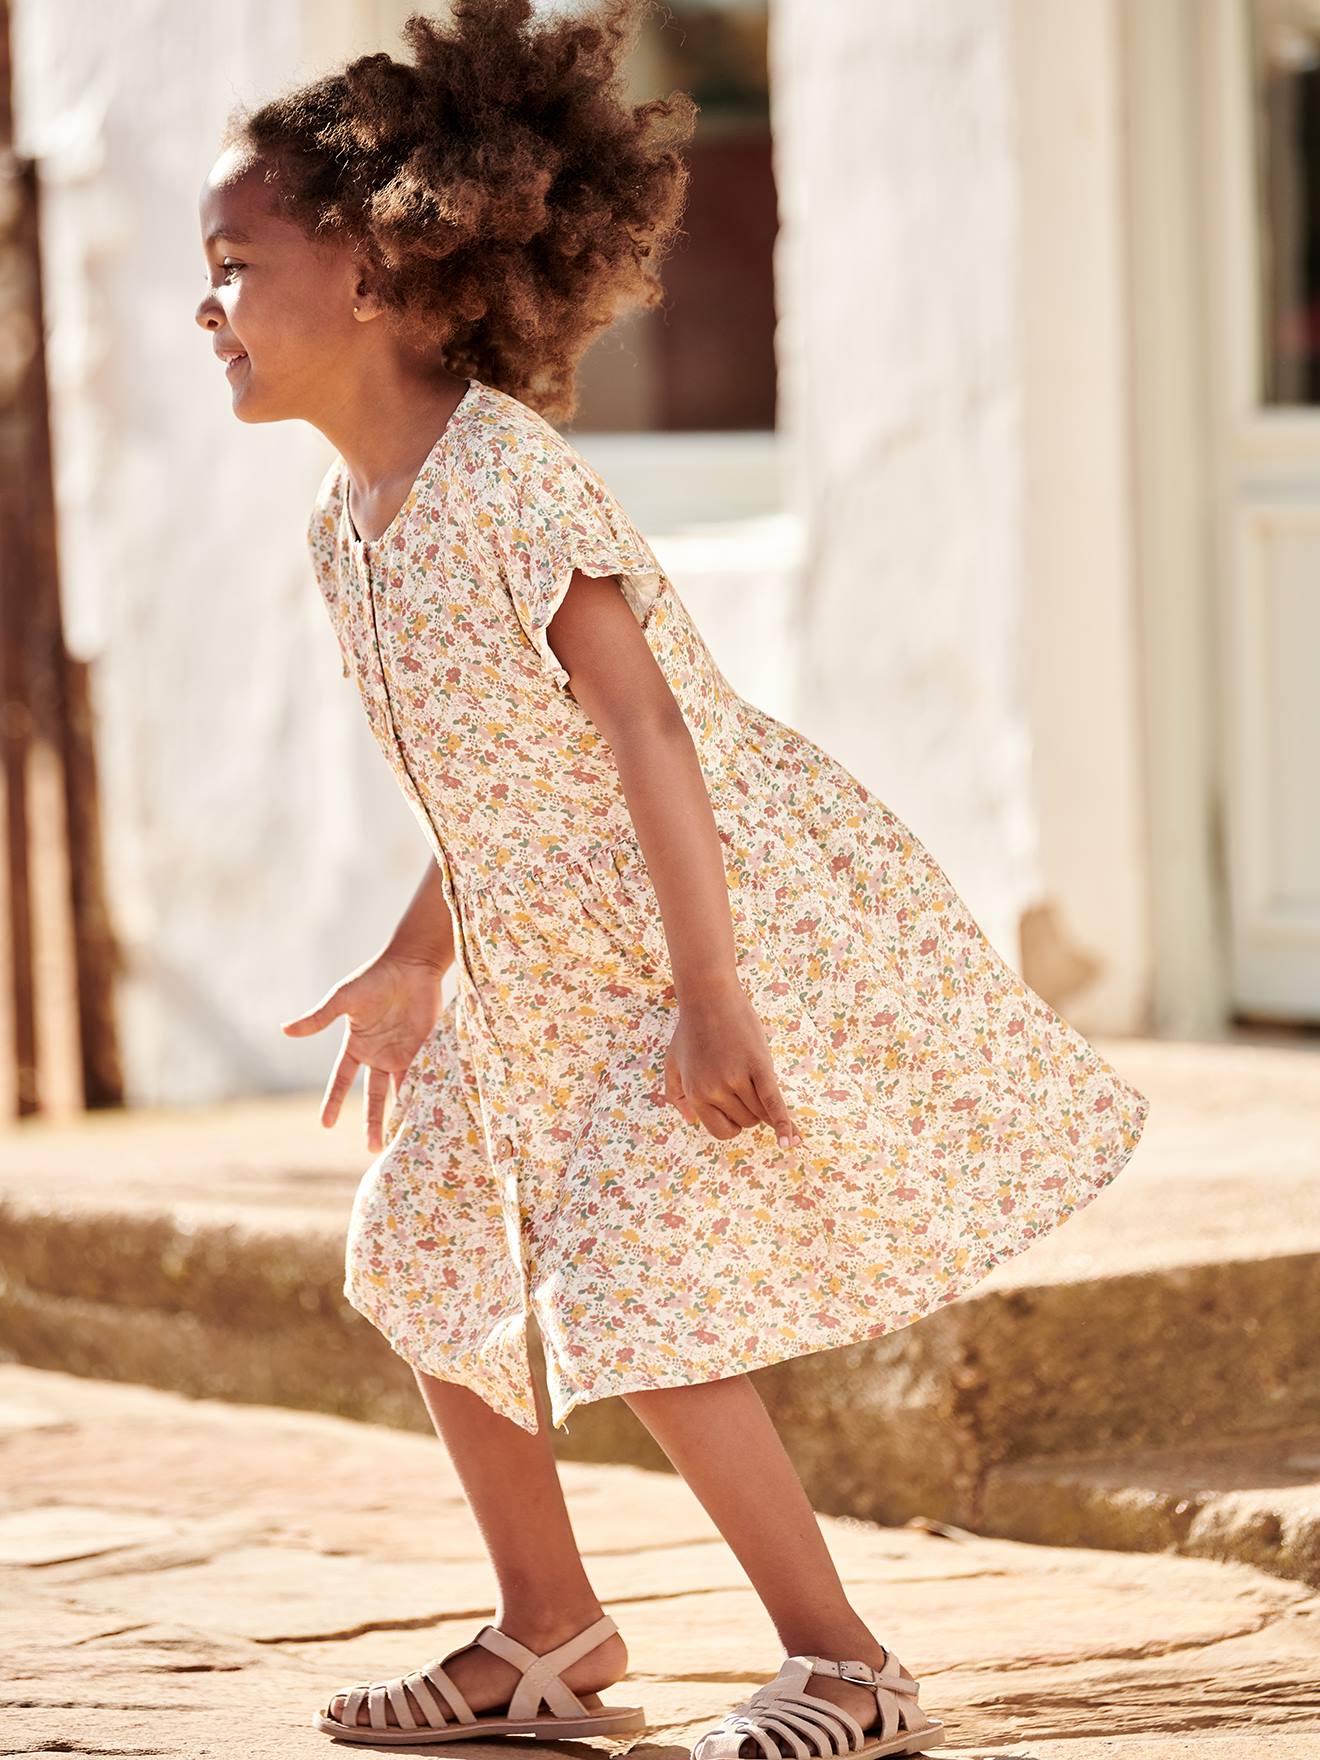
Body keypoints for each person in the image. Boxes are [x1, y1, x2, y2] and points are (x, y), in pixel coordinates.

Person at [195, 2, 1149, 1753]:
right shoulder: (351, 528)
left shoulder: (499, 479)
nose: (209, 309)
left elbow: (645, 738)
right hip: (531, 958)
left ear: (379, 277)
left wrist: (715, 998)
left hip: (682, 929)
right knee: (423, 1249)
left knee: (641, 1290)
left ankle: (846, 1661)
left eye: (237, 266)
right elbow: (493, 783)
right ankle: (546, 1634)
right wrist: (421, 957)